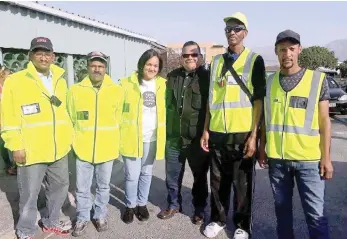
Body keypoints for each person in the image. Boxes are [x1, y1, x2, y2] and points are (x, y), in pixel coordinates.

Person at [258, 29, 333, 239]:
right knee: (282, 215)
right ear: (276, 51)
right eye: (282, 49)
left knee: (315, 217)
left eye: (291, 49)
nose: (287, 54)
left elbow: (325, 121)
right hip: (278, 161)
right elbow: (266, 118)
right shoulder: (270, 82)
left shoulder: (317, 80)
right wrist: (262, 148)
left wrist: (326, 158)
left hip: (309, 161)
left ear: (299, 50)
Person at [200, 12, 266, 239]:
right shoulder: (216, 61)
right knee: (218, 183)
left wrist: (253, 135)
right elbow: (211, 99)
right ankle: (218, 219)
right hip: (218, 133)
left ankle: (242, 225)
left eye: (237, 28)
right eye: (228, 29)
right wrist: (206, 130)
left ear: (245, 33)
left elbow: (258, 100)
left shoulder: (254, 60)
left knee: (242, 185)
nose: (232, 32)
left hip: (242, 134)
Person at [0, 37, 73, 239]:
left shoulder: (60, 80)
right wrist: (16, 145)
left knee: (59, 189)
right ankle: (25, 229)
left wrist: (68, 137)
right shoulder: (16, 81)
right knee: (29, 194)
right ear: (30, 56)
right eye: (38, 52)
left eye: (47, 53)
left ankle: (51, 221)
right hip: (31, 150)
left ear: (53, 56)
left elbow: (64, 111)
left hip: (59, 149)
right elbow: (8, 118)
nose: (43, 57)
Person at [67, 51, 124, 237]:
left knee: (103, 186)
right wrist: (73, 142)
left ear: (105, 68)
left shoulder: (116, 91)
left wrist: (118, 145)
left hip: (107, 150)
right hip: (83, 149)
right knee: (82, 187)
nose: (97, 69)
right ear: (88, 67)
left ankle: (99, 215)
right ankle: (83, 217)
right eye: (93, 65)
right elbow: (70, 118)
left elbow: (120, 120)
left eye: (100, 66)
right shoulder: (75, 90)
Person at [157, 41, 210, 225]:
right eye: (186, 55)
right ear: (181, 57)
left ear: (200, 57)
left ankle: (199, 209)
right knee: (172, 175)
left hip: (196, 139)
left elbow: (211, 108)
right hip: (174, 138)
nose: (190, 58)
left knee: (200, 178)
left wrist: (207, 132)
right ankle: (173, 204)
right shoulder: (171, 77)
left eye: (193, 55)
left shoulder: (207, 78)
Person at [119, 49, 166, 224]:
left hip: (152, 138)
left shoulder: (162, 85)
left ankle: (142, 203)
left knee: (146, 173)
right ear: (142, 64)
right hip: (131, 137)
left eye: (155, 65)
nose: (152, 68)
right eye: (149, 64)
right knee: (132, 175)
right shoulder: (126, 83)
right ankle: (130, 206)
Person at [0, 65, 16, 175]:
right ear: (2, 76)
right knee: (3, 144)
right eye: (8, 75)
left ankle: (14, 165)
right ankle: (8, 166)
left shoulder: (10, 87)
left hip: (10, 119)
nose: (10, 77)